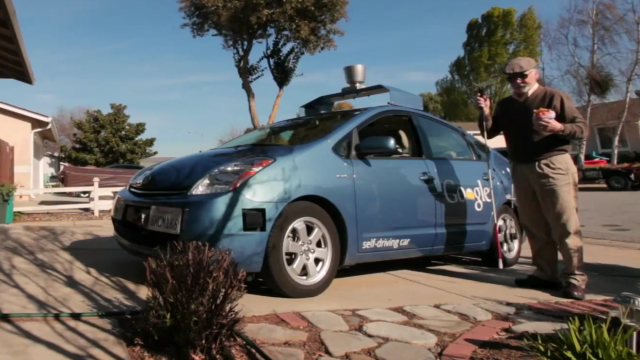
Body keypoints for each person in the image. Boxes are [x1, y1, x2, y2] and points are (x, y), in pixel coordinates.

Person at [476, 56, 588, 300]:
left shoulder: (553, 97)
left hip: (553, 164)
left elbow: (581, 129)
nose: (517, 81)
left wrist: (558, 128)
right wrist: (485, 112)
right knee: (534, 224)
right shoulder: (505, 105)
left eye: (522, 76)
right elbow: (489, 131)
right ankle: (545, 274)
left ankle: (575, 277)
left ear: (535, 74)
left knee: (564, 223)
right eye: (511, 78)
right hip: (520, 166)